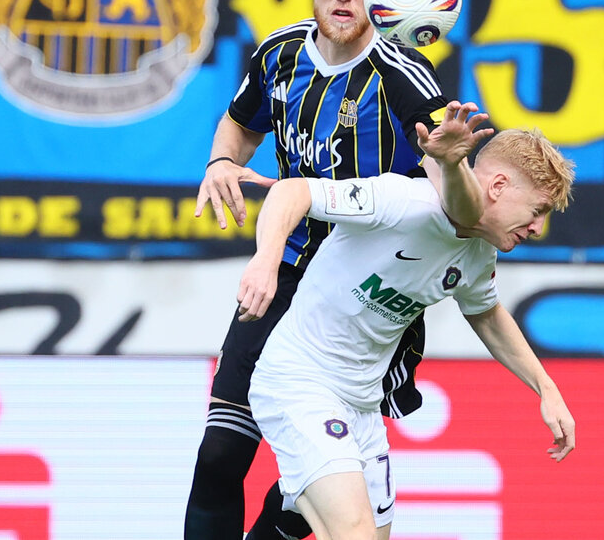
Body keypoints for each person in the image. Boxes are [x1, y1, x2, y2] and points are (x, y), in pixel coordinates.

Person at [184, 0, 489, 540]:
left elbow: (459, 204)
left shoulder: (404, 77)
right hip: (285, 272)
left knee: (303, 498)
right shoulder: (280, 54)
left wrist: (451, 161)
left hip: (360, 300)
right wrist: (220, 161)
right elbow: (239, 124)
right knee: (219, 455)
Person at [238, 128, 577, 540]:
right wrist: (265, 261)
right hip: (300, 381)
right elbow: (292, 192)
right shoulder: (404, 202)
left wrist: (546, 388)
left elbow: (487, 314)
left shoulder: (479, 252)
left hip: (362, 408)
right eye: (538, 210)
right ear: (499, 186)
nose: (538, 227)